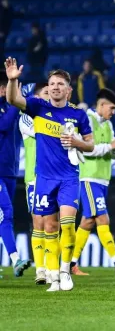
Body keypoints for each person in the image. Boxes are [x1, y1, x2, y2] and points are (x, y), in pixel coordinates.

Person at [5, 57, 94, 292]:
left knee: (67, 224)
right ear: (48, 87)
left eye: (60, 84)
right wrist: (13, 80)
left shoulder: (78, 115)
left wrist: (76, 142)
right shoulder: (38, 107)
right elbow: (13, 99)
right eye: (52, 83)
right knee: (50, 227)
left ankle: (65, 271)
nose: (55, 87)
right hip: (43, 179)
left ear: (69, 90)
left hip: (68, 177)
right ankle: (53, 277)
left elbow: (91, 144)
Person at [70, 88, 115, 276]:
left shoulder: (108, 125)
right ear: (102, 105)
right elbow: (85, 149)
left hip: (103, 179)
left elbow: (112, 153)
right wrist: (110, 146)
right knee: (102, 219)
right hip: (89, 178)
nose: (113, 112)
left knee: (87, 222)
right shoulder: (86, 120)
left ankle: (70, 264)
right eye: (111, 108)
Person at [0, 72, 32, 278]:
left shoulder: (13, 109)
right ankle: (15, 259)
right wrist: (16, 103)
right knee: (7, 213)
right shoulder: (9, 109)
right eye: (3, 88)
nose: (5, 91)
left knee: (2, 218)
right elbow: (3, 126)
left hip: (11, 171)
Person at [18, 82, 49, 284]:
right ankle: (41, 269)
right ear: (36, 98)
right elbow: (43, 132)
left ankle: (52, 266)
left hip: (54, 176)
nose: (49, 96)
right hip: (35, 178)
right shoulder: (26, 119)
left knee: (53, 224)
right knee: (38, 222)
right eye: (45, 93)